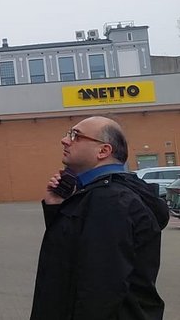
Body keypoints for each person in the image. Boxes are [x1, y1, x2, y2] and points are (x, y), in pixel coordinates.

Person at [30, 116, 170, 320]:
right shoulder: (97, 194)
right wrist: (56, 207)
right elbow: (70, 256)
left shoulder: (110, 200)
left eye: (76, 136)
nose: (65, 140)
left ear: (103, 151)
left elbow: (100, 287)